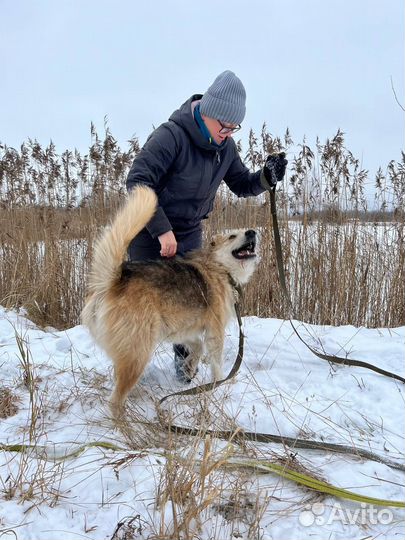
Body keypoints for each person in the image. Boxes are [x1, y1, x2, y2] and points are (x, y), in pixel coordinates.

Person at [126, 70, 287, 381]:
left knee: (191, 305)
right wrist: (161, 229)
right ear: (207, 111)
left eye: (234, 127)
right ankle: (131, 371)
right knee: (146, 311)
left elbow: (242, 183)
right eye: (224, 126)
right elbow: (138, 182)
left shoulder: (224, 148)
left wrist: (267, 177)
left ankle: (184, 372)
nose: (228, 132)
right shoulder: (171, 136)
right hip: (150, 233)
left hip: (188, 235)